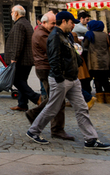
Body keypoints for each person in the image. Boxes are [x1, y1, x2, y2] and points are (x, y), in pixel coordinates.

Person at [26, 11, 110, 149]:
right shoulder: (54, 36)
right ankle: (33, 131)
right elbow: (53, 59)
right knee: (52, 108)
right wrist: (59, 77)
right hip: (62, 79)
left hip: (72, 78)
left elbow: (71, 53)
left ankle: (90, 139)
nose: (73, 25)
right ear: (65, 21)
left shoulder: (65, 36)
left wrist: (77, 60)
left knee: (82, 107)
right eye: (72, 22)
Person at [24, 12, 74, 141]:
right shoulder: (43, 34)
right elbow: (54, 51)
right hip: (45, 68)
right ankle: (55, 128)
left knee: (56, 98)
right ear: (43, 23)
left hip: (46, 68)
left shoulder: (46, 33)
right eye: (52, 23)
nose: (54, 25)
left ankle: (38, 116)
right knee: (57, 99)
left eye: (55, 23)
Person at [5, 5, 39, 112]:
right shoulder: (26, 23)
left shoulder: (19, 25)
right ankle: (22, 104)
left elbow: (17, 43)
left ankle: (36, 97)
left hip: (21, 60)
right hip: (26, 59)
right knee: (22, 81)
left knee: (17, 80)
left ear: (16, 13)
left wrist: (14, 58)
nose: (11, 14)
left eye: (11, 12)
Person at [83, 20, 110, 103]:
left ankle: (100, 97)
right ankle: (108, 97)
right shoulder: (105, 34)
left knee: (97, 79)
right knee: (105, 79)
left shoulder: (90, 34)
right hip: (105, 59)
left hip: (94, 59)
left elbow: (85, 44)